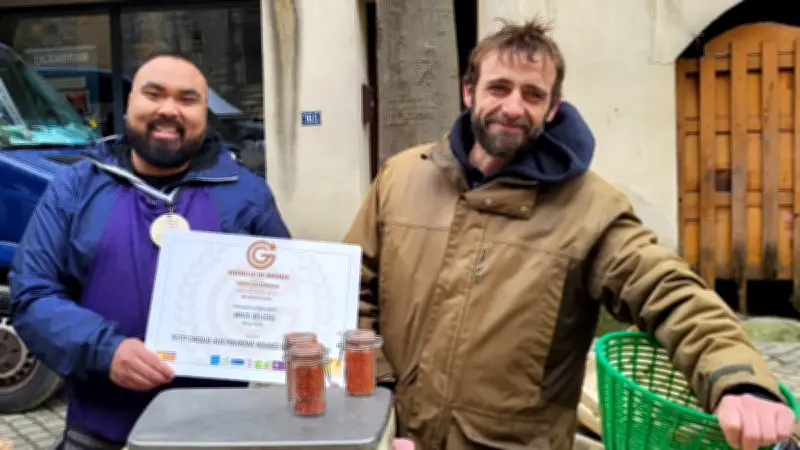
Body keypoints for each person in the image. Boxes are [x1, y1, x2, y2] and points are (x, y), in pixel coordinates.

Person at [343, 18, 796, 450]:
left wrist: (739, 379)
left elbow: (669, 292)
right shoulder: (400, 178)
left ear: (553, 107)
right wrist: (377, 399)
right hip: (394, 435)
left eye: (533, 94)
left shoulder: (592, 209)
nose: (513, 107)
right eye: (498, 87)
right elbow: (350, 293)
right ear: (468, 92)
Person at [9, 51, 291, 448]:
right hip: (98, 430)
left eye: (187, 99)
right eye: (153, 94)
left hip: (213, 432)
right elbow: (32, 293)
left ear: (204, 113)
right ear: (129, 105)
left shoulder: (247, 194)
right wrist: (106, 350)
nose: (169, 110)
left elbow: (288, 298)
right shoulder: (76, 186)